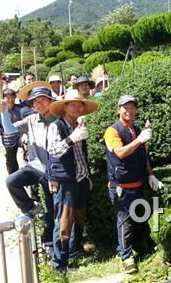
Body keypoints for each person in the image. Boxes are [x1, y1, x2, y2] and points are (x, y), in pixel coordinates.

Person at [103, 95, 163, 274]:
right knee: (125, 222)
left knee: (139, 218)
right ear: (119, 109)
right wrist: (139, 140)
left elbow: (144, 157)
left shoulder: (137, 129)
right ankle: (126, 256)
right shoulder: (112, 131)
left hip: (137, 183)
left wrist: (151, 176)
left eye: (132, 107)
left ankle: (135, 248)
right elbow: (120, 153)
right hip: (121, 186)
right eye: (125, 107)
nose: (129, 111)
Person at [47, 90, 98, 272]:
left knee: (79, 218)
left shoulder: (79, 125)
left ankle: (74, 251)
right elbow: (53, 151)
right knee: (64, 222)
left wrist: (87, 176)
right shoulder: (56, 126)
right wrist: (71, 139)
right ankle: (59, 265)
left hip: (81, 179)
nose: (77, 107)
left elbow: (82, 156)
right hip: (66, 181)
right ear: (65, 106)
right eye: (73, 104)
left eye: (80, 104)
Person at [1, 86, 57, 256]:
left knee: (51, 210)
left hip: (53, 172)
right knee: (11, 181)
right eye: (36, 102)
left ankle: (49, 242)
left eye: (43, 100)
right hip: (34, 166)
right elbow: (10, 130)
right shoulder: (31, 119)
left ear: (51, 102)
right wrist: (3, 112)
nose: (39, 104)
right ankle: (31, 208)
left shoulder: (59, 120)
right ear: (32, 105)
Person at [0, 88, 23, 174]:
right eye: (7, 97)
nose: (10, 100)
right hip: (8, 139)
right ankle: (14, 178)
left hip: (21, 136)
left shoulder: (21, 109)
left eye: (12, 97)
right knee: (10, 161)